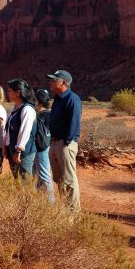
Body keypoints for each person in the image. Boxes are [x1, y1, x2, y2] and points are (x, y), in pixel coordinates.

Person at [47, 69, 82, 211]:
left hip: (65, 144)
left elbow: (74, 122)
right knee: (59, 178)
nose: (50, 82)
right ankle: (66, 208)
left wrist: (66, 142)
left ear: (63, 82)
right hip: (55, 143)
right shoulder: (57, 99)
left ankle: (73, 213)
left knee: (69, 179)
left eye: (53, 80)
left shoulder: (72, 99)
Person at [4, 79, 37, 179]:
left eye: (9, 90)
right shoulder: (16, 108)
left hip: (23, 153)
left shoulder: (27, 109)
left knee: (24, 182)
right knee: (17, 181)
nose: (7, 93)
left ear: (17, 92)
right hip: (13, 151)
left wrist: (18, 151)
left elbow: (25, 131)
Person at [34, 88, 56, 203]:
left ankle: (50, 204)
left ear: (38, 101)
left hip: (41, 148)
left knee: (43, 175)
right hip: (50, 147)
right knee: (43, 174)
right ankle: (42, 203)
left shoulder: (39, 115)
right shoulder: (51, 113)